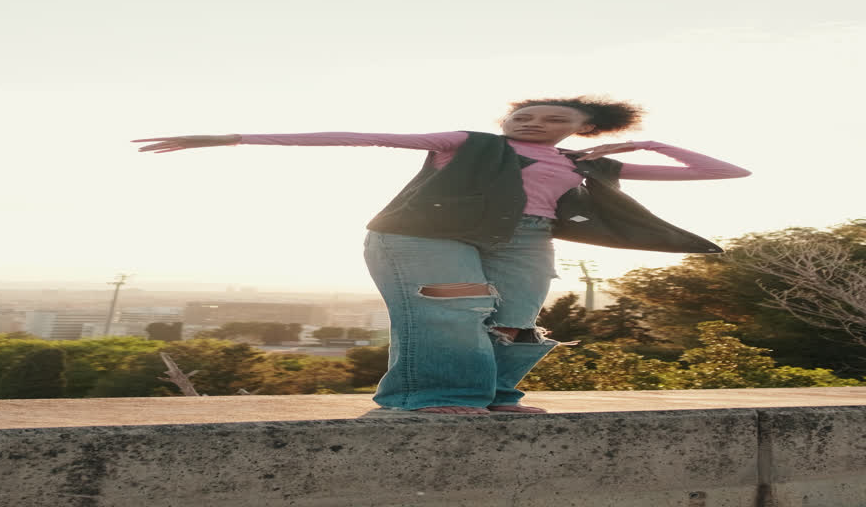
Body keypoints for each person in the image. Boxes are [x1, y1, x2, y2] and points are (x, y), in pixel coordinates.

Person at [133, 96, 751, 415]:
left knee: (513, 322)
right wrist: (233, 136)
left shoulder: (584, 163)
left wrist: (651, 141)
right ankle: (432, 400)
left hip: (528, 238)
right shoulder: (467, 142)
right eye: (522, 113)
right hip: (427, 234)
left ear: (580, 127)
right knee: (449, 314)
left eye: (551, 116)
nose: (532, 120)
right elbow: (358, 135)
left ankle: (490, 397)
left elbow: (727, 171)